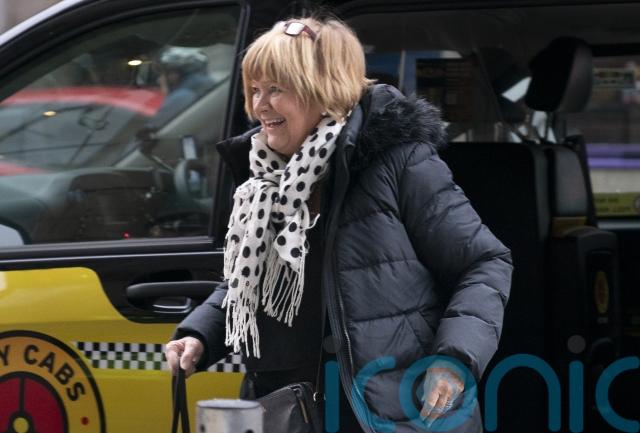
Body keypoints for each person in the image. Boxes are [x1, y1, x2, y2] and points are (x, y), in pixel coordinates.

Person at [165, 16, 512, 433]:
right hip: (292, 413)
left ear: (323, 87)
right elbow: (248, 283)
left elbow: (484, 262)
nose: (259, 106)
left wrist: (454, 358)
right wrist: (200, 335)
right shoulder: (262, 181)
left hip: (399, 413)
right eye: (254, 90)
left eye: (276, 89)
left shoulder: (397, 160)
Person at [148, 46, 215, 128]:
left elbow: (152, 128)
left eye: (165, 73)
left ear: (176, 73)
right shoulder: (205, 90)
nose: (159, 80)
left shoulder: (182, 97)